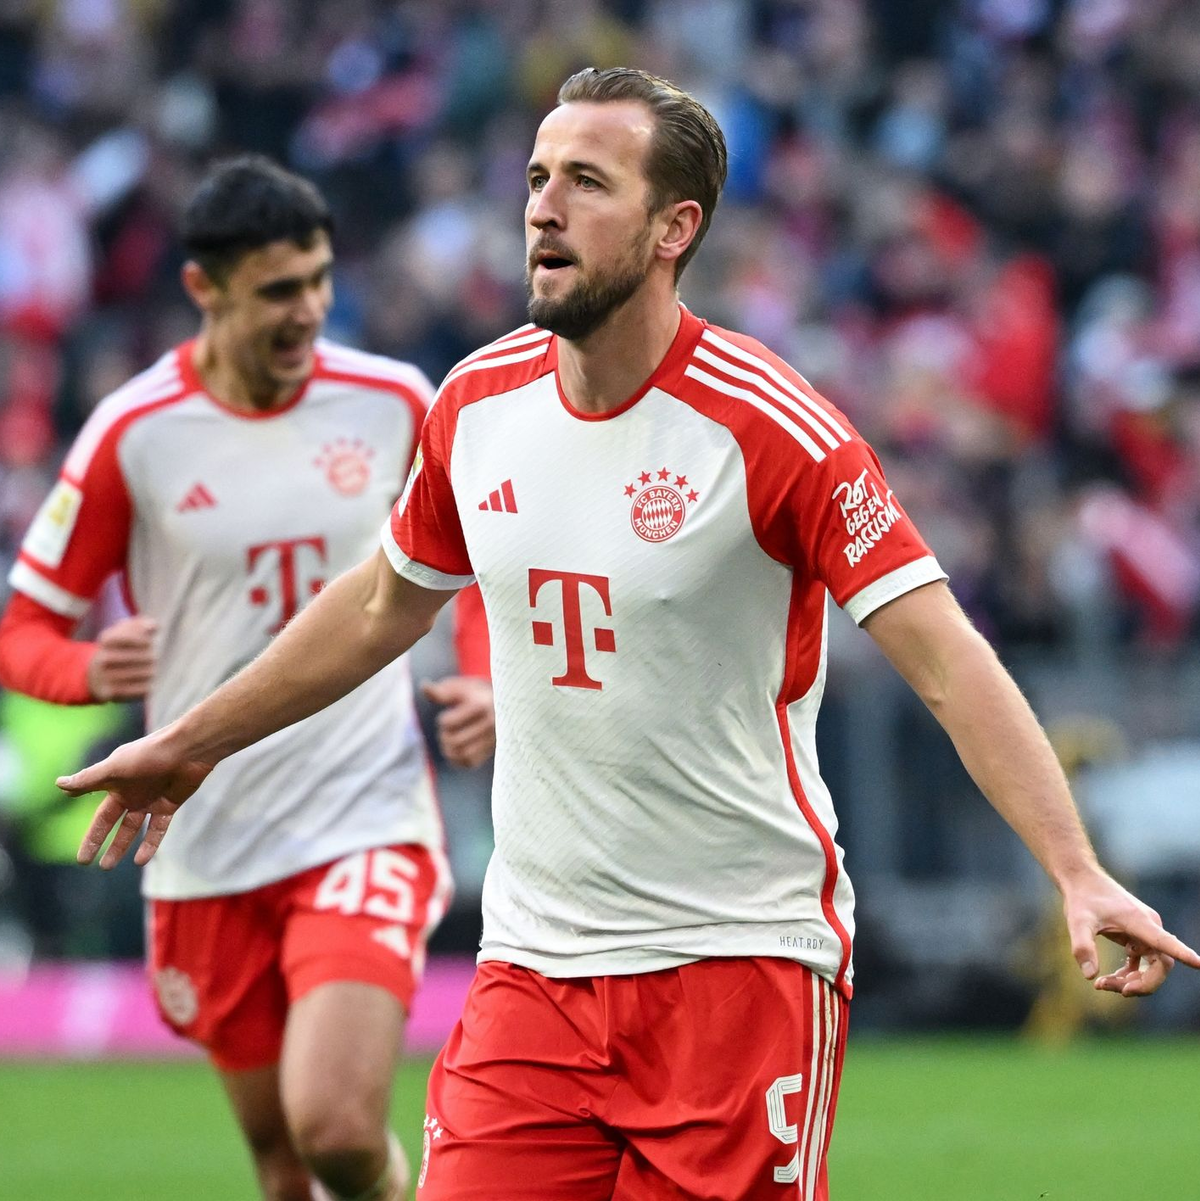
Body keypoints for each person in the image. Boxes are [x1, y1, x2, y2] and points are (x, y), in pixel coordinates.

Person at [59, 71, 1199, 1201]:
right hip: (534, 971)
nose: (543, 207)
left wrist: (1077, 868)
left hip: (736, 965)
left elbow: (947, 659)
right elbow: (377, 609)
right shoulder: (476, 406)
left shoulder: (770, 425)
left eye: (586, 182)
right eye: (538, 177)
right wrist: (195, 741)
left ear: (673, 228)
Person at [0, 155, 495, 1201]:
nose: (309, 309)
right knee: (279, 1159)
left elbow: (478, 559)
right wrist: (89, 665)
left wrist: (488, 676)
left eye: (318, 279)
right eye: (279, 288)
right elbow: (22, 628)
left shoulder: (395, 401)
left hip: (364, 811)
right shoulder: (134, 434)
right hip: (206, 837)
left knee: (338, 1128)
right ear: (204, 289)